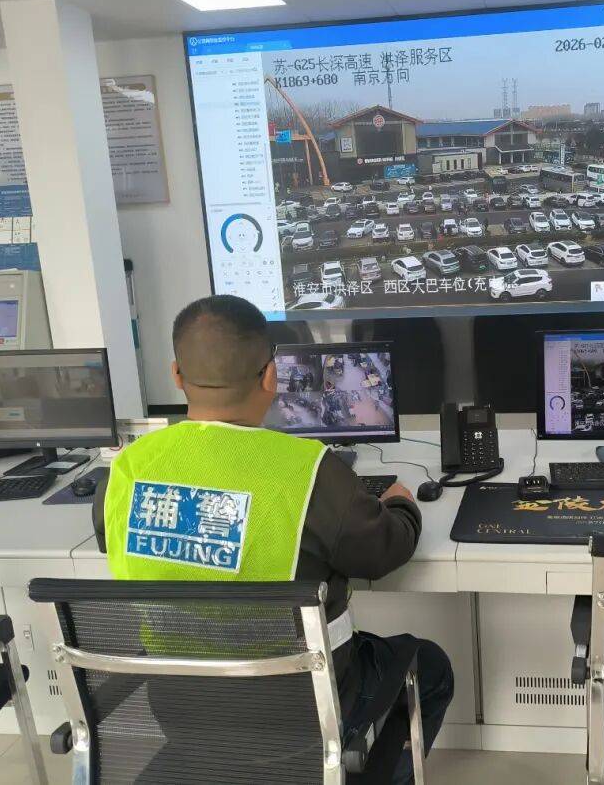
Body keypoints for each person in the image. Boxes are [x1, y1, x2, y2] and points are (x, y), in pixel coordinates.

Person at [92, 294, 453, 782]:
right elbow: (384, 550)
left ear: (176, 375)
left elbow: (110, 537)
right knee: (431, 667)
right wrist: (402, 504)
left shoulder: (127, 469)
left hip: (179, 704)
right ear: (271, 377)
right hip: (302, 708)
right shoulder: (308, 470)